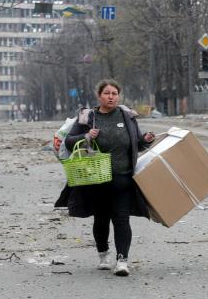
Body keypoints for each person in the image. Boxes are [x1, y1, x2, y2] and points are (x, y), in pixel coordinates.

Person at [54, 79, 155, 277]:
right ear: (99, 96)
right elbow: (68, 142)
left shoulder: (127, 117)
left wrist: (146, 140)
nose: (111, 97)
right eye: (107, 93)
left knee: (121, 219)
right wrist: (87, 136)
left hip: (123, 179)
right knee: (101, 219)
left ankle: (122, 261)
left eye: (114, 93)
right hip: (96, 179)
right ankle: (103, 255)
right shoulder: (87, 117)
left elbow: (137, 143)